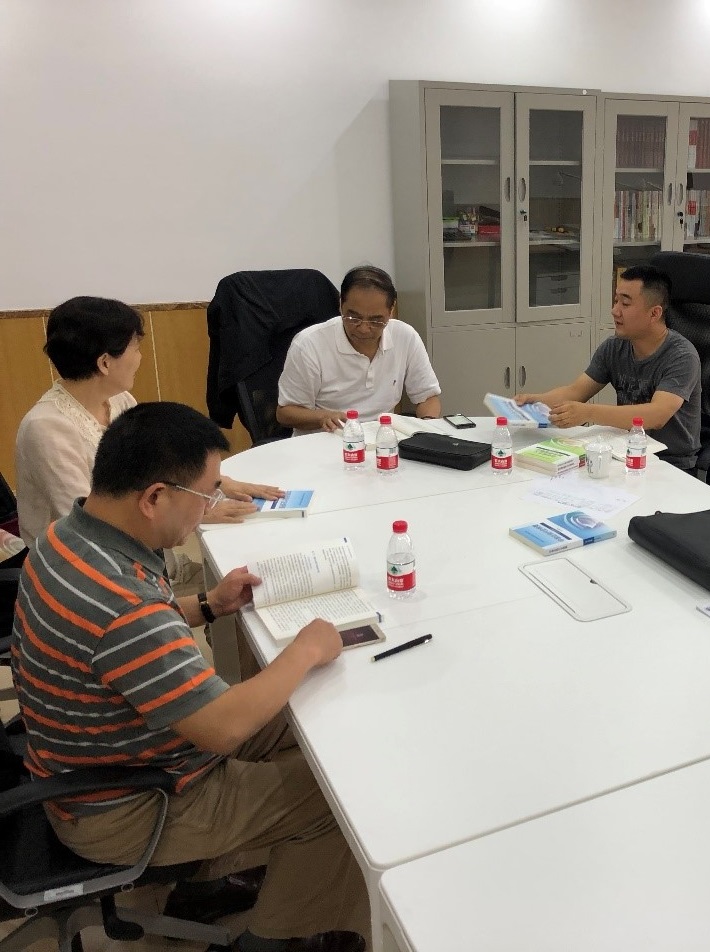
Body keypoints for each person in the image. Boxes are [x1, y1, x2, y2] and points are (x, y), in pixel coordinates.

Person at [11, 402, 368, 952]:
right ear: (154, 497)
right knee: (339, 800)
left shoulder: (68, 537)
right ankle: (277, 939)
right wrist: (305, 649)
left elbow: (122, 642)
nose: (209, 509)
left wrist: (207, 604)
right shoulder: (122, 604)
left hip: (107, 753)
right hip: (124, 805)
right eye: (206, 495)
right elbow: (222, 728)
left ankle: (212, 879)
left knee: (312, 720)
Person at [15, 296, 283, 548]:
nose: (140, 358)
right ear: (105, 363)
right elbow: (89, 524)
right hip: (77, 558)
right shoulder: (47, 428)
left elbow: (155, 464)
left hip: (129, 540)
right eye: (136, 348)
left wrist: (216, 484)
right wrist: (198, 513)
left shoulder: (119, 400)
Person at [514, 265, 702, 470]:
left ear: (654, 313)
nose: (615, 311)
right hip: (624, 454)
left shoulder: (682, 356)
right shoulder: (615, 347)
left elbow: (657, 415)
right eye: (615, 301)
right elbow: (575, 392)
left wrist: (588, 413)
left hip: (671, 464)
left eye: (625, 303)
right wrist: (535, 401)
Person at [275, 265, 441, 434]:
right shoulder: (308, 344)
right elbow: (285, 413)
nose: (363, 328)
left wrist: (427, 428)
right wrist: (322, 416)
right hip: (328, 440)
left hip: (382, 439)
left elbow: (427, 397)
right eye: (353, 317)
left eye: (376, 321)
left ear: (391, 310)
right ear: (341, 305)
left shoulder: (405, 336)